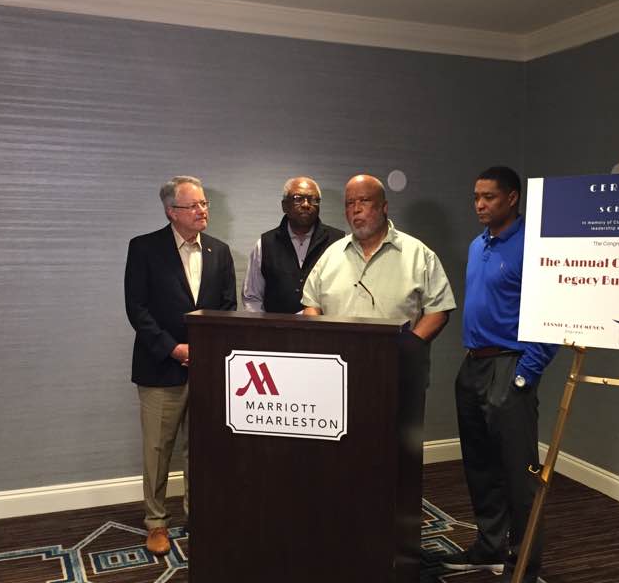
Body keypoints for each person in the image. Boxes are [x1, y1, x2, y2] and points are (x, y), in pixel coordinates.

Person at [442, 165, 559, 583]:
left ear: (512, 199)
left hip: (511, 367)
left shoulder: (532, 246)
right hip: (473, 365)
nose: (480, 205)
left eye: (489, 197)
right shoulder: (479, 244)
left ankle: (522, 576)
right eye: (476, 197)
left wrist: (526, 374)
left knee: (518, 479)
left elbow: (549, 317)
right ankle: (490, 545)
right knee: (481, 467)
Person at [124, 175, 236, 555]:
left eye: (205, 203)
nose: (203, 211)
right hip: (161, 367)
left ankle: (198, 514)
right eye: (194, 205)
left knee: (201, 448)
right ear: (172, 211)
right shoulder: (144, 248)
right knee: (158, 449)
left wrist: (207, 349)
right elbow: (136, 309)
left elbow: (227, 307)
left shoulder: (219, 251)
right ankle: (156, 522)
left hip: (207, 368)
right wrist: (173, 349)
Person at [301, 174, 455, 348]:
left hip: (398, 367)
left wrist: (409, 348)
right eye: (350, 203)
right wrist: (323, 341)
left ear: (384, 207)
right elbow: (311, 305)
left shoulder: (419, 254)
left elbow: (439, 310)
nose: (356, 209)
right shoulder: (331, 255)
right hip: (339, 365)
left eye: (364, 201)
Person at [242, 177, 344, 313]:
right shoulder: (265, 244)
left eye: (313, 199)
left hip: (324, 331)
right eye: (298, 198)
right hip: (276, 331)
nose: (306, 204)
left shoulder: (338, 242)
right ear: (285, 206)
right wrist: (264, 330)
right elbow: (252, 297)